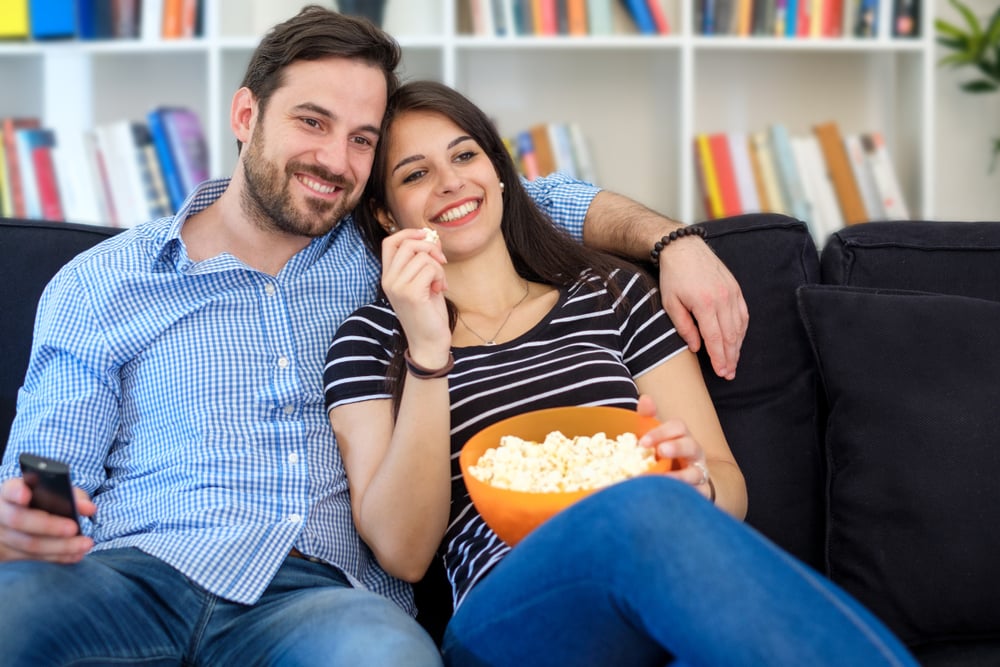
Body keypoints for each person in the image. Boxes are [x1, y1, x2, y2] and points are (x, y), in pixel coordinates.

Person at [0, 5, 748, 666]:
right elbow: (45, 478)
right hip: (136, 574)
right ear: (244, 115)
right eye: (311, 122)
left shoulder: (389, 248)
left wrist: (672, 239)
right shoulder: (103, 281)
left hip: (319, 596)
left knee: (385, 656)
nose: (335, 161)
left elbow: (514, 198)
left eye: (363, 139)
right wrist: (23, 523)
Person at [323, 80, 918, 667]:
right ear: (385, 212)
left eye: (464, 154)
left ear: (499, 169)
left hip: (651, 585)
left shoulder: (612, 294)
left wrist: (697, 482)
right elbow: (403, 553)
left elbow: (727, 484)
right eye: (415, 174)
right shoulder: (373, 339)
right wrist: (428, 347)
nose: (451, 181)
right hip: (507, 618)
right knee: (638, 509)